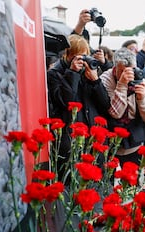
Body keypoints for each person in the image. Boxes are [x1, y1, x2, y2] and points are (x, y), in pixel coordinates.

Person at [46, 34, 110, 174]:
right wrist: (72, 73)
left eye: (85, 56)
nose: (83, 61)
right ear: (68, 55)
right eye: (79, 56)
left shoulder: (89, 73)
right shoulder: (54, 74)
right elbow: (65, 101)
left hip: (92, 139)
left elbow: (105, 105)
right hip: (71, 139)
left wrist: (95, 81)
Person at [99, 47, 145, 165]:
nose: (129, 75)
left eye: (131, 70)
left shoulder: (142, 81)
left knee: (132, 181)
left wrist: (142, 100)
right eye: (123, 71)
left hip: (135, 144)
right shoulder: (105, 80)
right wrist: (121, 85)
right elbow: (115, 113)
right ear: (114, 68)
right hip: (109, 145)